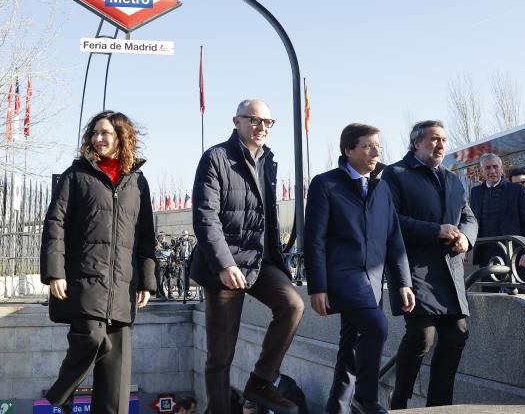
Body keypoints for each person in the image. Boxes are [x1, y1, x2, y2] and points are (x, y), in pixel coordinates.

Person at [190, 99, 304, 414]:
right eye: (254, 120)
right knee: (221, 353)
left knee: (292, 305)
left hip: (260, 261)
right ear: (236, 121)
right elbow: (205, 217)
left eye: (268, 122)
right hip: (223, 265)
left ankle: (262, 381)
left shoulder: (268, 159)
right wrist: (224, 263)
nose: (262, 127)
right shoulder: (216, 158)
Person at [41, 110, 157, 414]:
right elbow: (55, 224)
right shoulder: (76, 175)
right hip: (84, 278)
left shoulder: (138, 182)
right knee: (91, 336)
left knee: (116, 373)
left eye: (105, 133)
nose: (98, 138)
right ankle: (60, 393)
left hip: (122, 284)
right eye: (94, 133)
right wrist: (55, 273)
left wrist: (147, 280)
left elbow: (146, 235)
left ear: (122, 137)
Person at [304, 123, 415, 414]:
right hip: (342, 277)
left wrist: (404, 280)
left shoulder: (383, 187)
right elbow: (314, 239)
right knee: (377, 326)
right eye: (367, 145)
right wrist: (317, 286)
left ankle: (337, 407)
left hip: (373, 281)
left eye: (378, 145)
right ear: (348, 150)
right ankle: (367, 399)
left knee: (350, 345)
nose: (376, 151)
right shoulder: (325, 184)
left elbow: (394, 238)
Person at [381, 120, 478, 409]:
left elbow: (469, 216)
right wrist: (435, 230)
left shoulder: (452, 178)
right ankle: (400, 398)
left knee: (456, 334)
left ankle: (439, 405)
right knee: (422, 335)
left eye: (444, 140)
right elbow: (390, 219)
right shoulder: (395, 173)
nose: (441, 145)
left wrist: (466, 239)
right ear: (417, 143)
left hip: (450, 271)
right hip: (414, 269)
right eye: (434, 139)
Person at [470, 153, 525, 289]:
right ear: (482, 171)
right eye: (487, 168)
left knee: (516, 296)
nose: (492, 171)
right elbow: (472, 222)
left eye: (495, 167)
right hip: (485, 255)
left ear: (502, 169)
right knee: (489, 297)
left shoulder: (516, 190)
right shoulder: (475, 192)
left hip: (512, 254)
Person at [156, 232, 172, 299]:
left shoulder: (166, 244)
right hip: (159, 264)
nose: (163, 238)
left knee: (169, 278)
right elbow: (157, 250)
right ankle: (162, 294)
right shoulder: (156, 244)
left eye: (163, 237)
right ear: (158, 238)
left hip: (166, 264)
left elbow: (169, 250)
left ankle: (170, 294)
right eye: (161, 237)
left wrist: (170, 249)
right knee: (160, 280)